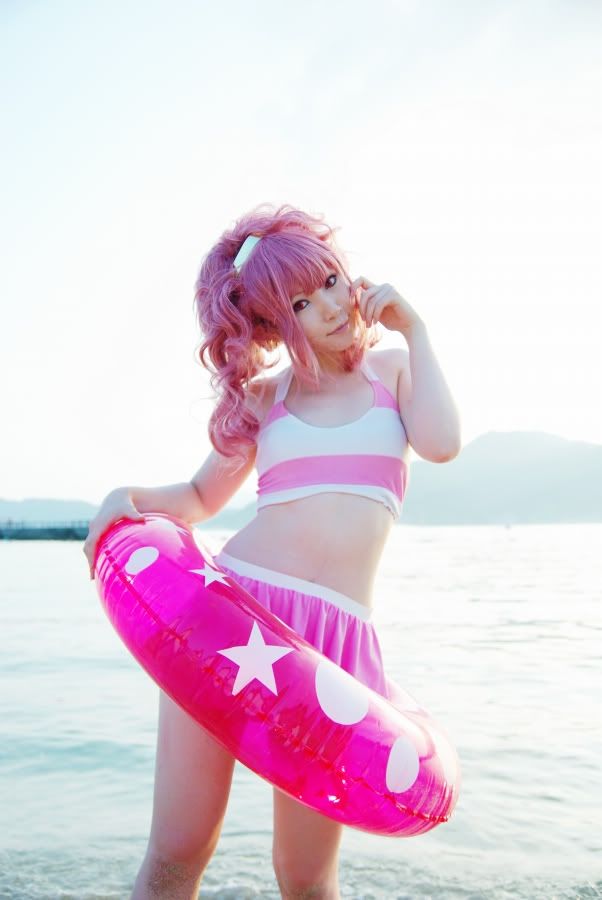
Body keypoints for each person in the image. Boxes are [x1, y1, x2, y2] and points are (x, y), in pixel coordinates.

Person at [83, 203, 462, 900]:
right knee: (178, 850)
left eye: (330, 281)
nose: (328, 307)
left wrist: (417, 329)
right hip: (230, 618)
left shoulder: (394, 372)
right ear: (271, 323)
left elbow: (441, 443)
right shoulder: (266, 398)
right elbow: (200, 497)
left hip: (332, 646)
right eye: (299, 303)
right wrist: (125, 497)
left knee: (305, 875)